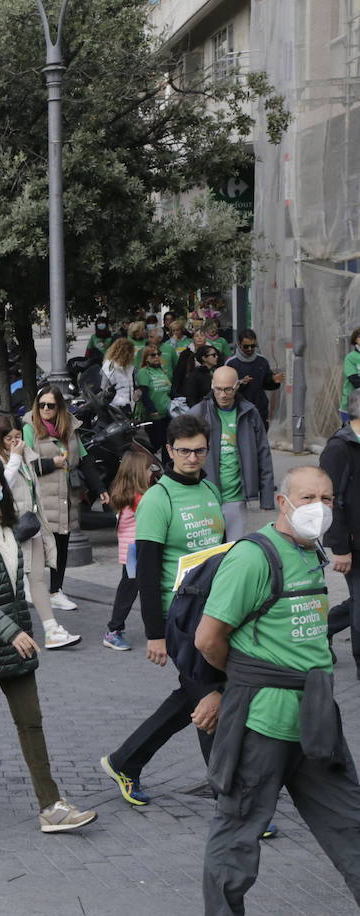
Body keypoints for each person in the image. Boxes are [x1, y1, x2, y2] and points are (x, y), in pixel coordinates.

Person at [198, 465, 360, 915]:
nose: (320, 508)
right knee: (237, 837)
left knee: (351, 824)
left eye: (327, 499)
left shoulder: (311, 552)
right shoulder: (252, 557)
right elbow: (208, 639)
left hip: (315, 717)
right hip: (262, 721)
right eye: (309, 498)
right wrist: (244, 680)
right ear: (283, 500)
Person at [0, 454, 98, 833]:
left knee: (31, 722)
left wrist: (35, 625)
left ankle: (51, 806)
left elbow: (26, 582)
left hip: (16, 640)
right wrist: (10, 630)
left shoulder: (12, 527)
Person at [100, 414, 225, 807]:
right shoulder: (159, 498)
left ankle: (125, 761)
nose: (192, 457)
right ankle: (232, 798)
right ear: (169, 451)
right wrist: (156, 633)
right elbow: (147, 573)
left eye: (199, 450)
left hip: (214, 612)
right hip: (180, 618)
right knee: (209, 701)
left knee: (194, 697)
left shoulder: (209, 489)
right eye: (184, 450)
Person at [0, 416, 80, 649]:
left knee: (37, 579)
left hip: (31, 526)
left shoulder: (27, 456)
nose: (14, 442)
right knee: (7, 582)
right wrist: (15, 459)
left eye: (18, 437)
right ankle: (4, 632)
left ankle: (52, 630)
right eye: (9, 439)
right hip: (6, 530)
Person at [23, 385, 107, 613]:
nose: (45, 410)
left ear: (59, 407)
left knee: (61, 545)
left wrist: (99, 488)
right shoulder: (30, 428)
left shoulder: (69, 428)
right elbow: (26, 466)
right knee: (39, 546)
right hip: (40, 500)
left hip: (65, 498)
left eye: (51, 405)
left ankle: (56, 591)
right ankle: (33, 586)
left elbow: (85, 460)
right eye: (41, 405)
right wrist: (53, 464)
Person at [189, 365, 275, 542]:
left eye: (228, 389)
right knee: (208, 551)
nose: (223, 394)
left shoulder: (250, 413)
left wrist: (266, 498)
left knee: (233, 549)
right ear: (212, 385)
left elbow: (263, 454)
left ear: (237, 386)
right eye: (218, 389)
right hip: (205, 497)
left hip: (236, 497)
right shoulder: (198, 413)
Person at [322, 390, 360, 674]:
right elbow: (329, 499)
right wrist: (340, 547)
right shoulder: (339, 448)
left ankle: (323, 627)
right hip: (352, 544)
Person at [103, 449, 155, 652]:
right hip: (137, 551)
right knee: (131, 590)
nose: (152, 472)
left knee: (131, 589)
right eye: (149, 469)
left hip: (132, 551)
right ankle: (113, 630)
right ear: (139, 473)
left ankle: (116, 629)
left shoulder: (127, 494)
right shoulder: (141, 498)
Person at [226, 329, 283, 429]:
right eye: (246, 346)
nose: (250, 349)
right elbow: (226, 388)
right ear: (239, 344)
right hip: (239, 409)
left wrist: (274, 381)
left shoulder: (262, 361)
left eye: (253, 346)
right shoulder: (231, 363)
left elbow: (266, 383)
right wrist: (241, 383)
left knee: (260, 439)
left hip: (260, 408)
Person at [100, 338, 137, 409]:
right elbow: (104, 387)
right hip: (117, 405)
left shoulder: (129, 366)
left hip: (129, 404)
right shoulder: (109, 367)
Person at [342, 327, 360, 423]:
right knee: (351, 436)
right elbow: (354, 379)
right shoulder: (350, 358)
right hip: (352, 406)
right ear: (356, 339)